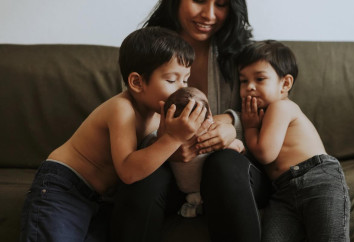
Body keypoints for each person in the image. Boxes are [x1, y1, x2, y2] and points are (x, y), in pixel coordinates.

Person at [19, 26, 208, 242]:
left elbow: (156, 156)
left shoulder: (159, 117)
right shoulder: (122, 109)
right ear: (137, 82)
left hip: (101, 200)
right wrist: (172, 139)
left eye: (185, 80)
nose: (181, 89)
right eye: (171, 80)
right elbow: (128, 170)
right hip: (64, 187)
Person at [112, 1, 272, 241]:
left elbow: (273, 118)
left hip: (234, 173)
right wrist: (165, 146)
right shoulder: (146, 50)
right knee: (148, 175)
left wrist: (231, 125)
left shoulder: (246, 55)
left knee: (224, 162)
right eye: (198, 0)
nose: (209, 15)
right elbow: (133, 123)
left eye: (220, 4)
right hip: (172, 174)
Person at [238, 40, 350, 241]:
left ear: (285, 83)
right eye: (243, 81)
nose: (250, 87)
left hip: (318, 179)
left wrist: (250, 127)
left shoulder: (281, 107)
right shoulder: (266, 113)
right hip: (283, 192)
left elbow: (265, 153)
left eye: (260, 79)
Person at [164, 87, 244, 218]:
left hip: (183, 188)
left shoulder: (166, 138)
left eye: (185, 80)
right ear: (208, 118)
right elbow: (237, 146)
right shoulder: (208, 138)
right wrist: (239, 144)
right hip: (207, 186)